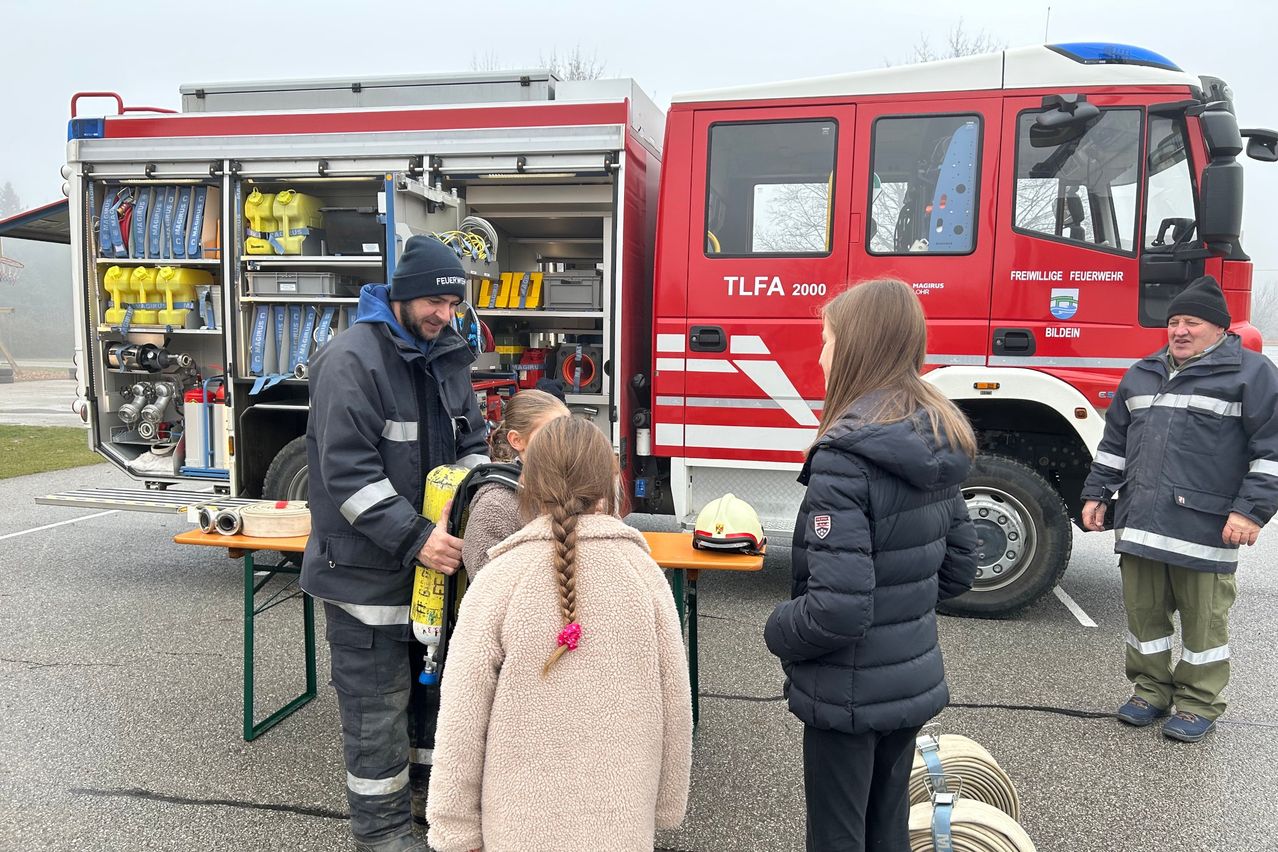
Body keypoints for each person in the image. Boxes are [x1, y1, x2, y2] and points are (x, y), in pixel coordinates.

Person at [764, 278, 979, 852]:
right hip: (909, 681)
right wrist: (897, 612)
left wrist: (777, 629)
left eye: (827, 340)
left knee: (837, 837)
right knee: (886, 830)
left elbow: (835, 611)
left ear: (856, 347)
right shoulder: (936, 433)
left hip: (848, 694)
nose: (820, 356)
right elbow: (960, 566)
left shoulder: (844, 455)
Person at [426, 416, 693, 852]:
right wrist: (665, 802)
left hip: (517, 824)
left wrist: (455, 828)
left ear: (526, 482)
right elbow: (675, 701)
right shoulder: (644, 576)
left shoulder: (499, 579)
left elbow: (461, 717)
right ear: (610, 483)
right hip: (621, 818)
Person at [301, 235, 488, 852]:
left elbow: (473, 447)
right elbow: (348, 477)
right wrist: (418, 539)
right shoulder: (351, 360)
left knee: (431, 706)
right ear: (403, 295)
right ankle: (381, 836)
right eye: (434, 301)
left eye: (453, 304)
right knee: (377, 714)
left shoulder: (449, 356)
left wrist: (478, 511)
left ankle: (426, 811)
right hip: (366, 578)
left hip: (430, 573)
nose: (443, 314)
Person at [1081, 275, 1278, 743]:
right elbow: (1114, 444)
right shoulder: (1142, 373)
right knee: (1143, 618)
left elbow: (1271, 450)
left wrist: (1250, 511)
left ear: (1220, 328)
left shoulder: (1252, 374)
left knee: (1203, 623)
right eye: (1174, 322)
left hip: (1205, 529)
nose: (1180, 330)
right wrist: (1097, 492)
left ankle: (1197, 702)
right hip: (1140, 525)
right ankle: (1149, 690)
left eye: (1192, 322)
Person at [460, 388, 569, 579]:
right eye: (550, 434)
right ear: (516, 440)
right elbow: (486, 582)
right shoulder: (495, 504)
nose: (564, 443)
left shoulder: (580, 487)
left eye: (568, 432)